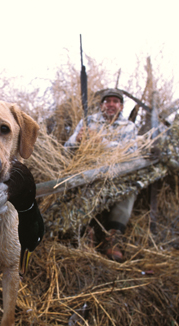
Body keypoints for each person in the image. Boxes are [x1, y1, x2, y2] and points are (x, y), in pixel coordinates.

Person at [65, 89, 138, 262]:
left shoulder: (129, 127)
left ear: (120, 107)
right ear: (101, 105)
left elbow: (130, 152)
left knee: (131, 190)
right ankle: (86, 234)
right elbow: (67, 148)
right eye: (107, 101)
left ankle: (112, 238)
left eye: (115, 101)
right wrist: (77, 140)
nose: (111, 104)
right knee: (81, 185)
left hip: (118, 173)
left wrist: (102, 143)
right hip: (89, 170)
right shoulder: (88, 121)